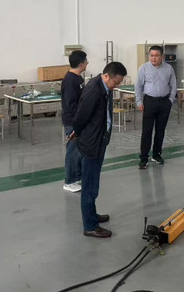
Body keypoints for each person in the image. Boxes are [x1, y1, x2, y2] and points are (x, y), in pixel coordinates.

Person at [74, 61, 127, 238]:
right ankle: (90, 226)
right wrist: (78, 134)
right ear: (106, 76)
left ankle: (91, 214)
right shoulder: (93, 91)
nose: (117, 86)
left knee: (93, 184)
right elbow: (80, 117)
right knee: (90, 186)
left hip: (99, 140)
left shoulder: (104, 87)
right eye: (116, 82)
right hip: (91, 143)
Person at [135, 45, 177, 170]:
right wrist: (139, 102)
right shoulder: (143, 68)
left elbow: (173, 85)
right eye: (151, 55)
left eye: (156, 55)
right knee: (146, 131)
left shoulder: (168, 68)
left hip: (164, 102)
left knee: (160, 130)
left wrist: (170, 100)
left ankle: (156, 155)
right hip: (149, 102)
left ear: (162, 56)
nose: (153, 58)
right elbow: (138, 86)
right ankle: (143, 158)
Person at [61, 50, 88, 193]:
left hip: (80, 120)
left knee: (79, 151)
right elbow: (71, 104)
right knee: (72, 151)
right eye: (86, 61)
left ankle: (77, 177)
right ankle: (69, 181)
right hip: (73, 121)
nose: (88, 63)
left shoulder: (78, 78)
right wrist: (80, 119)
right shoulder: (70, 80)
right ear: (81, 63)